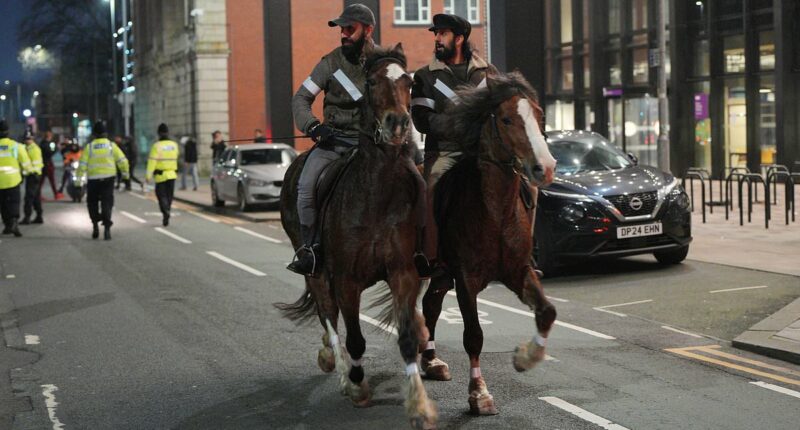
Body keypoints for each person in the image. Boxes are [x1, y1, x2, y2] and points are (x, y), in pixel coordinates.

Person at [287, 3, 377, 276]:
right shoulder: (329, 63)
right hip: (333, 144)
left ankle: (419, 251)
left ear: (368, 30)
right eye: (342, 30)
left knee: (415, 181)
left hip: (372, 145)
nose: (344, 34)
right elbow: (301, 98)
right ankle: (311, 249)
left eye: (350, 29)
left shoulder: (383, 63)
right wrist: (313, 126)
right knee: (305, 187)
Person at [411, 13, 490, 270]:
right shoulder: (425, 77)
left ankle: (518, 252)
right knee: (431, 188)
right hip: (445, 153)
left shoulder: (486, 73)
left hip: (482, 151)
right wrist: (457, 124)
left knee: (519, 183)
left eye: (442, 34)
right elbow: (422, 120)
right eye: (436, 34)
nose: (437, 38)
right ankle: (431, 257)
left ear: (459, 38)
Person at [77, 121, 129, 240]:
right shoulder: (111, 146)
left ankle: (95, 225)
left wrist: (78, 181)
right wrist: (125, 175)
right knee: (107, 203)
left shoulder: (89, 147)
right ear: (105, 133)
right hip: (108, 179)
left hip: (93, 180)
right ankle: (107, 229)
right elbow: (123, 161)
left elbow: (82, 165)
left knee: (92, 203)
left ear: (94, 134)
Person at [0, 120, 32, 237]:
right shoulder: (16, 146)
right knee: (14, 202)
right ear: (8, 132)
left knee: (3, 204)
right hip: (13, 180)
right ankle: (14, 222)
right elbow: (26, 162)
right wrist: (27, 173)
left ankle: (7, 226)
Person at [146, 123, 179, 226]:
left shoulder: (156, 146)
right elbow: (176, 157)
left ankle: (165, 211)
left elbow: (152, 162)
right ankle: (167, 211)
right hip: (172, 175)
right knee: (169, 196)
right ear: (168, 132)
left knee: (161, 196)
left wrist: (148, 176)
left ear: (159, 134)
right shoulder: (174, 145)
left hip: (161, 176)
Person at [20, 130, 44, 224]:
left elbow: (33, 164)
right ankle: (39, 216)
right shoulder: (29, 148)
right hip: (35, 175)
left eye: (29, 139)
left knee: (29, 198)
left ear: (32, 139)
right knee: (35, 197)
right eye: (26, 139)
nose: (27, 140)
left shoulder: (33, 149)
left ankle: (27, 217)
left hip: (33, 175)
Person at [38, 130, 63, 200]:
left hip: (43, 164)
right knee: (51, 180)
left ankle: (38, 195)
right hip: (48, 164)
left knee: (41, 181)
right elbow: (49, 153)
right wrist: (56, 149)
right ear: (49, 136)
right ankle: (56, 194)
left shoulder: (42, 143)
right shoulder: (46, 144)